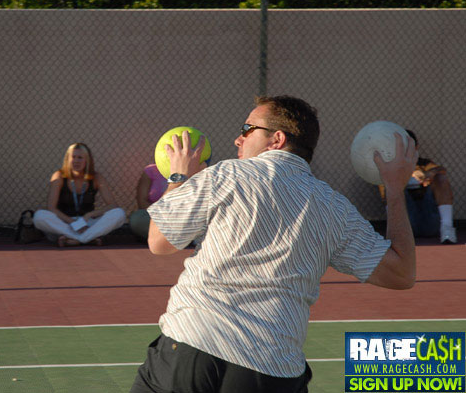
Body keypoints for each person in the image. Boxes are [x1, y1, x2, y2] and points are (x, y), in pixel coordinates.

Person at [131, 95, 418, 393]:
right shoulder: (335, 208)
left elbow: (159, 241)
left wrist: (179, 177)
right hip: (273, 370)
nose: (237, 139)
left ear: (276, 139)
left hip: (194, 347)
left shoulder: (227, 174)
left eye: (247, 128)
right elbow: (402, 273)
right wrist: (395, 189)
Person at [33, 142, 126, 247]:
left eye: (80, 157)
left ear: (87, 160)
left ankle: (76, 240)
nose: (76, 161)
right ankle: (88, 238)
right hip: (64, 224)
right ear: (67, 159)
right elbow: (51, 208)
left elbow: (112, 205)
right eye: (73, 157)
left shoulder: (96, 177)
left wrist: (89, 215)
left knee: (119, 213)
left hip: (87, 223)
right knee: (39, 216)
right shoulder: (59, 176)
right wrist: (73, 222)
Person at [378, 129, 456, 244]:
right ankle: (395, 235)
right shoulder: (390, 166)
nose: (406, 150)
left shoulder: (423, 164)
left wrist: (428, 174)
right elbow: (386, 196)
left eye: (409, 146)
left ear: (416, 147)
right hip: (406, 222)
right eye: (402, 146)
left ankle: (447, 228)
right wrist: (407, 179)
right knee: (389, 185)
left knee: (440, 177)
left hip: (429, 218)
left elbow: (441, 170)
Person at [129, 164, 167, 240]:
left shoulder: (189, 170)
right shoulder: (151, 170)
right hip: (156, 217)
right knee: (137, 219)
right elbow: (142, 203)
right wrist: (162, 214)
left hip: (181, 216)